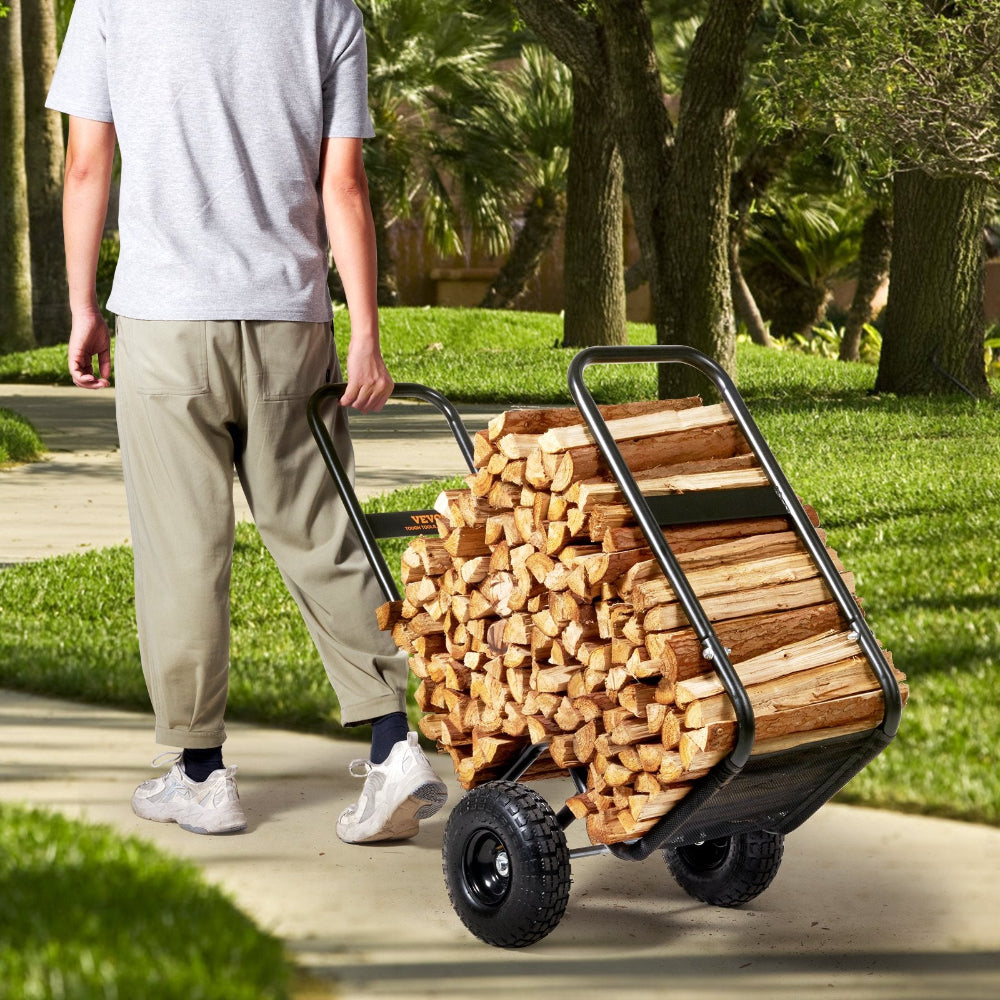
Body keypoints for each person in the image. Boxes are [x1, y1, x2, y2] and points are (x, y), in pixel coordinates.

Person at [45, 0, 447, 843]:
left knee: (182, 551)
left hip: (164, 321)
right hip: (288, 319)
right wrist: (366, 331)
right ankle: (392, 746)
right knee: (323, 536)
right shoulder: (327, 6)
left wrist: (82, 307)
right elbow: (341, 183)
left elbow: (88, 165)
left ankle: (202, 776)